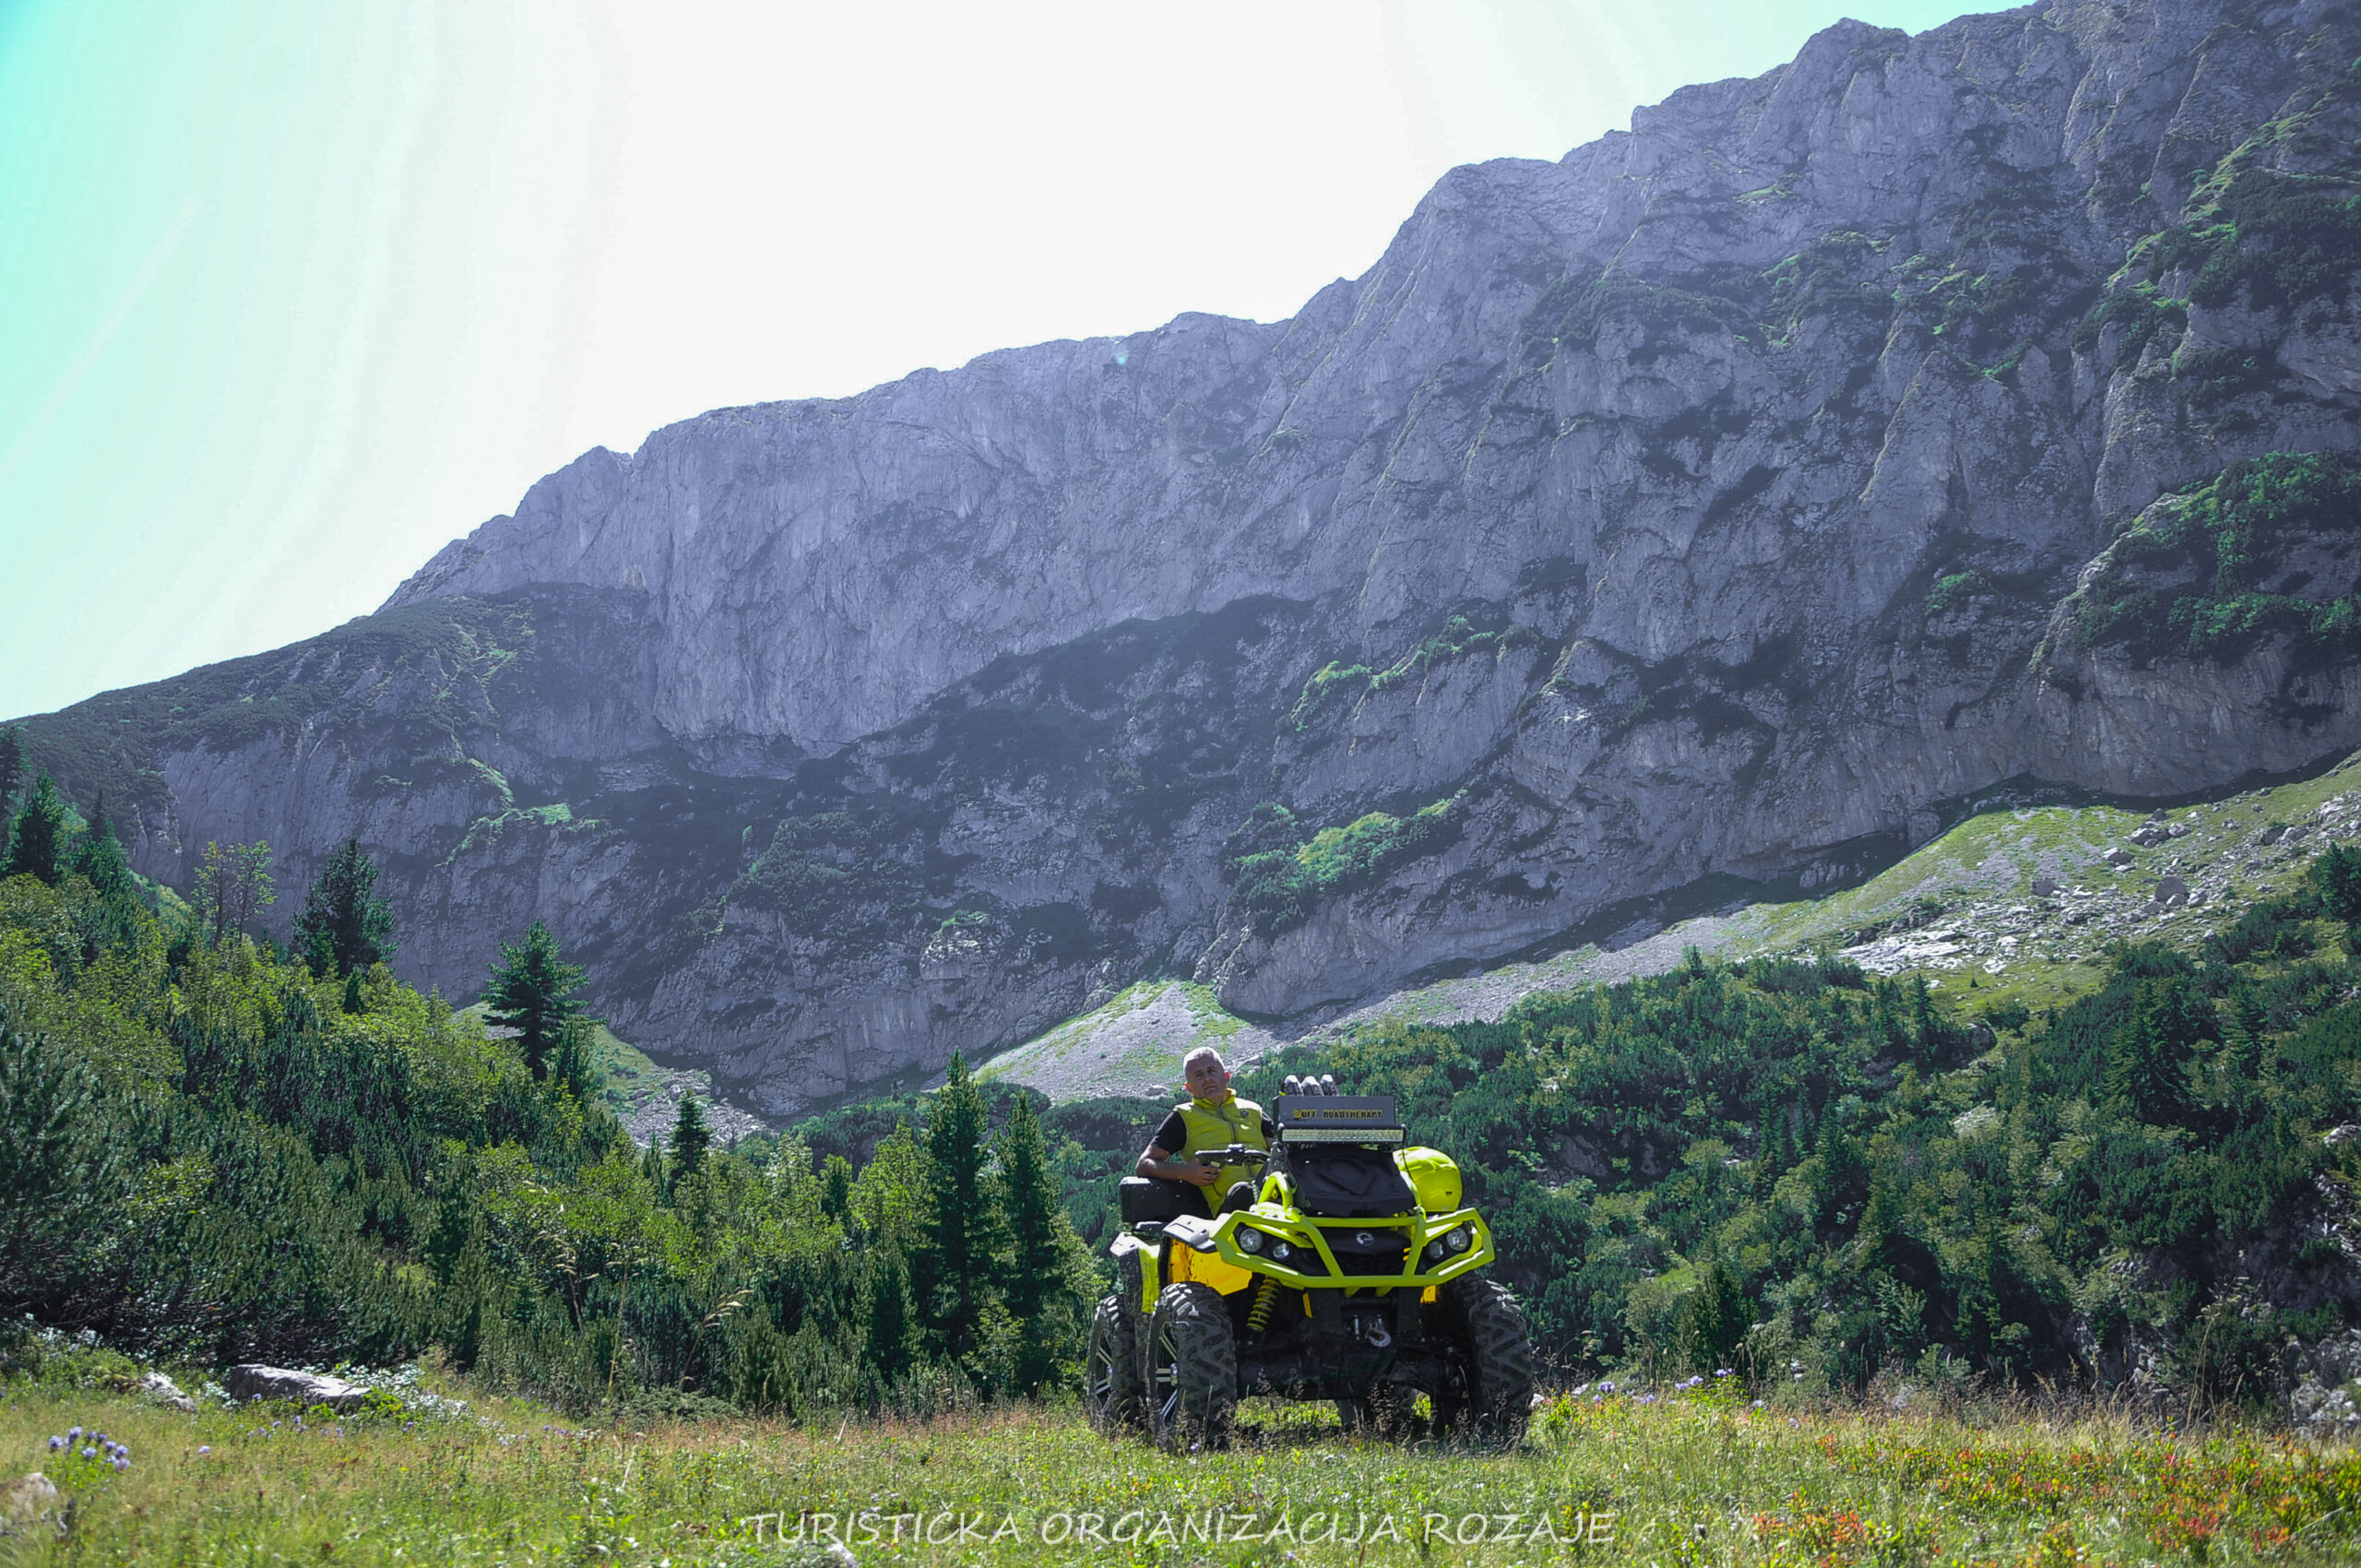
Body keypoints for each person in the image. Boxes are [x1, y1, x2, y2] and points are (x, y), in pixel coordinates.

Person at [1136, 1046, 1269, 1214]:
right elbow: (1144, 1165)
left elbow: (1282, 1150)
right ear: (1189, 1088)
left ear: (1226, 1076)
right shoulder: (1183, 1117)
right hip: (1231, 1210)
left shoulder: (1254, 1110)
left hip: (1275, 1196)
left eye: (1212, 1071)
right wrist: (1185, 1172)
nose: (1207, 1079)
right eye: (1198, 1075)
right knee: (1244, 1192)